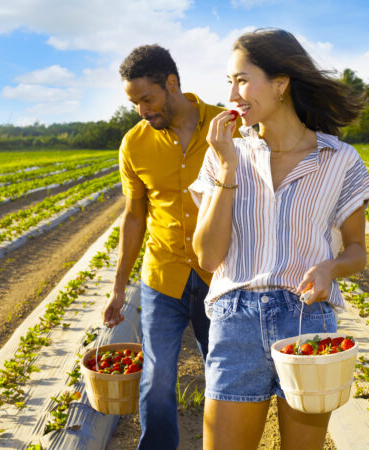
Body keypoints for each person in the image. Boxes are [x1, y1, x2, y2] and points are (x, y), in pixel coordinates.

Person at [189, 28, 369, 449]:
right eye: (229, 82)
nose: (232, 94)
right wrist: (228, 170)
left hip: (307, 321)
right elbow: (207, 255)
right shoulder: (223, 156)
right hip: (235, 320)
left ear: (280, 83)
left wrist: (330, 266)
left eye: (242, 79)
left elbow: (357, 251)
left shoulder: (340, 159)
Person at [103, 44, 225, 449]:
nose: (141, 109)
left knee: (224, 377)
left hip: (221, 275)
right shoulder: (134, 143)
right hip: (162, 274)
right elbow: (134, 217)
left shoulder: (227, 128)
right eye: (133, 102)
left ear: (171, 83)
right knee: (156, 378)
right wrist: (119, 287)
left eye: (146, 98)